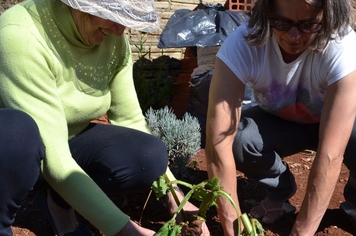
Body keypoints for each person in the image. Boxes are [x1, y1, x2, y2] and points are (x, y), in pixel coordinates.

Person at [0, 0, 209, 235]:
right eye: (111, 15)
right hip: (22, 152)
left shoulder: (113, 38)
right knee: (17, 134)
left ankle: (57, 203)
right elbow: (55, 159)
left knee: (148, 155)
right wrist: (124, 229)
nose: (120, 31)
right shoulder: (21, 35)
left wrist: (176, 199)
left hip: (69, 139)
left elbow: (130, 119)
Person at [205, 0, 356, 235]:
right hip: (280, 122)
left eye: (308, 25)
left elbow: (330, 155)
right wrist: (230, 226)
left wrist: (301, 232)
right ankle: (279, 192)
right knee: (239, 139)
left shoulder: (342, 46)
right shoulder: (243, 43)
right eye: (281, 23)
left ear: (325, 19)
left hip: (337, 124)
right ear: (266, 14)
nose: (294, 36)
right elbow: (218, 143)